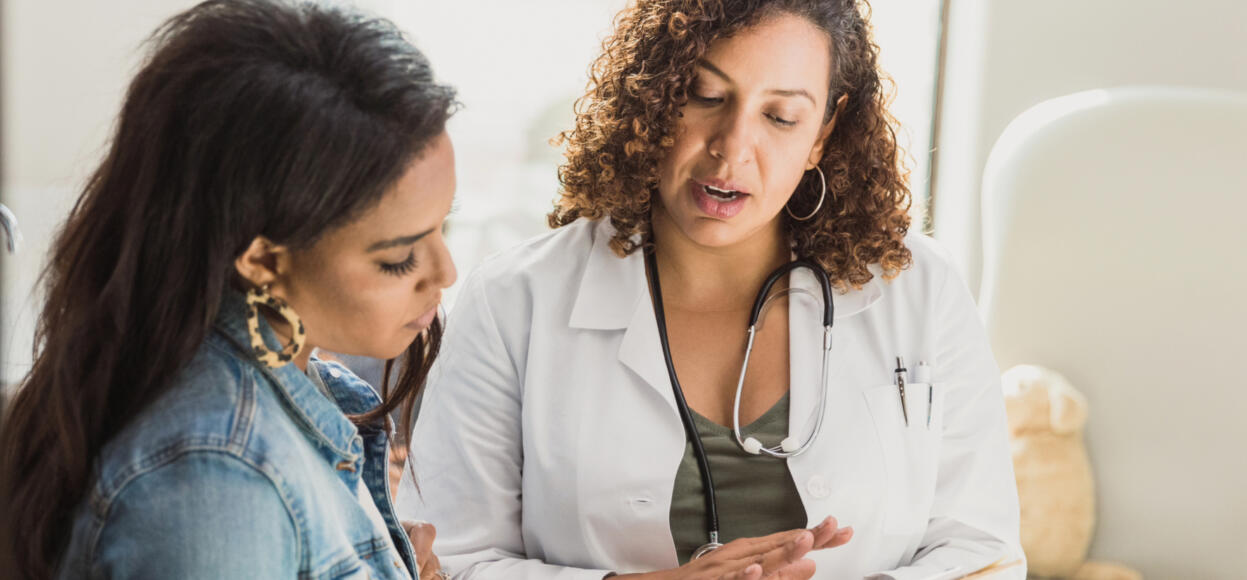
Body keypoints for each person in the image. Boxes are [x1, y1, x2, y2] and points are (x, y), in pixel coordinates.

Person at [397, 0, 1024, 578]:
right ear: (653, 99)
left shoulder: (920, 286)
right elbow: (445, 559)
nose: (732, 148)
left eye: (780, 116)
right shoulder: (514, 300)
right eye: (703, 96)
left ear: (823, 135)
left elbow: (985, 553)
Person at [1, 1, 460, 578]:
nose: (446, 273)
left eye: (445, 224)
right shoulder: (218, 478)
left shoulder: (297, 393)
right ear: (263, 259)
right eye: (400, 257)